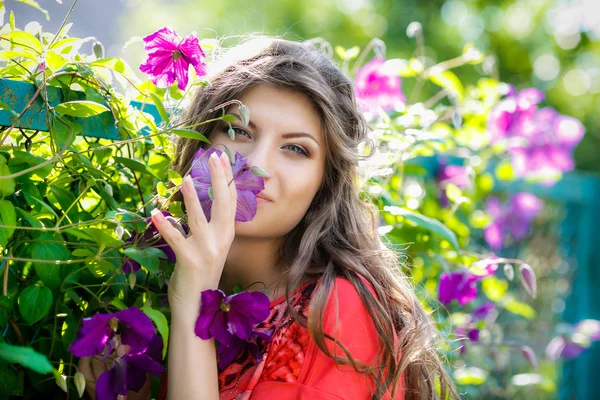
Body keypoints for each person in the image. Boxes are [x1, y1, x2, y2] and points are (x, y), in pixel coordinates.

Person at [79, 37, 459, 400]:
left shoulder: (337, 311)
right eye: (239, 131)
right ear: (199, 142)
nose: (257, 166)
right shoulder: (149, 284)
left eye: (295, 148)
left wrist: (193, 297)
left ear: (323, 183)